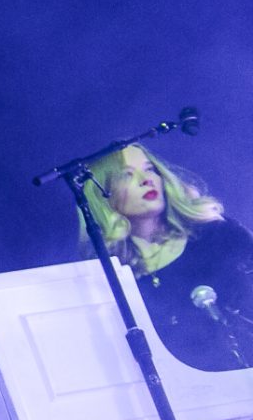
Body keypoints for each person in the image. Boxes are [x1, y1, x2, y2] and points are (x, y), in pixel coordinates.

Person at [82, 144, 253, 370]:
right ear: (104, 196)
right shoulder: (116, 279)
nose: (146, 179)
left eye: (150, 169)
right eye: (128, 175)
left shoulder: (219, 235)